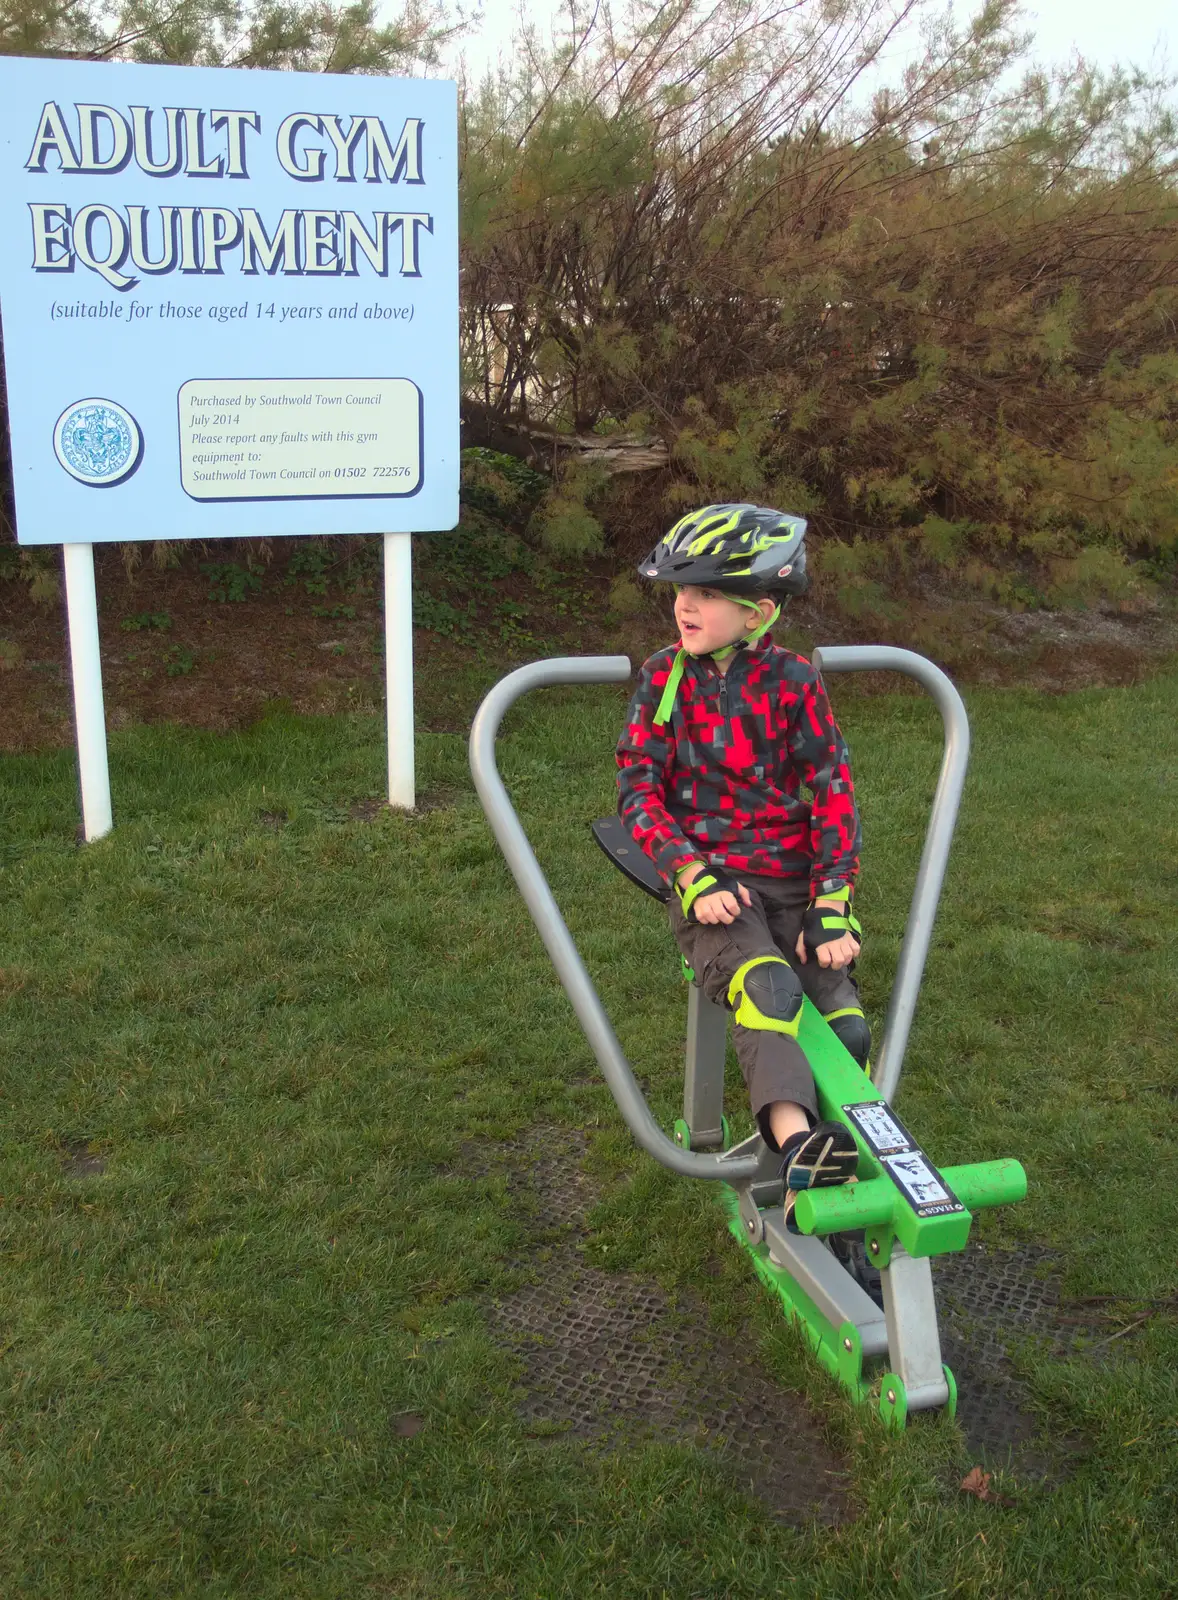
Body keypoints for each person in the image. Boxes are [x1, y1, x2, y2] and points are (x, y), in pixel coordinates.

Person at [616, 502, 871, 1228]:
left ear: (758, 612)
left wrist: (831, 901)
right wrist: (691, 874)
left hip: (793, 880)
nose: (683, 606)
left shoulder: (793, 682)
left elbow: (831, 789)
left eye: (703, 594)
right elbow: (638, 788)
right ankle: (799, 1147)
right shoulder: (667, 678)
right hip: (717, 884)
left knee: (843, 1021)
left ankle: (822, 1173)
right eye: (678, 591)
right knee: (767, 989)